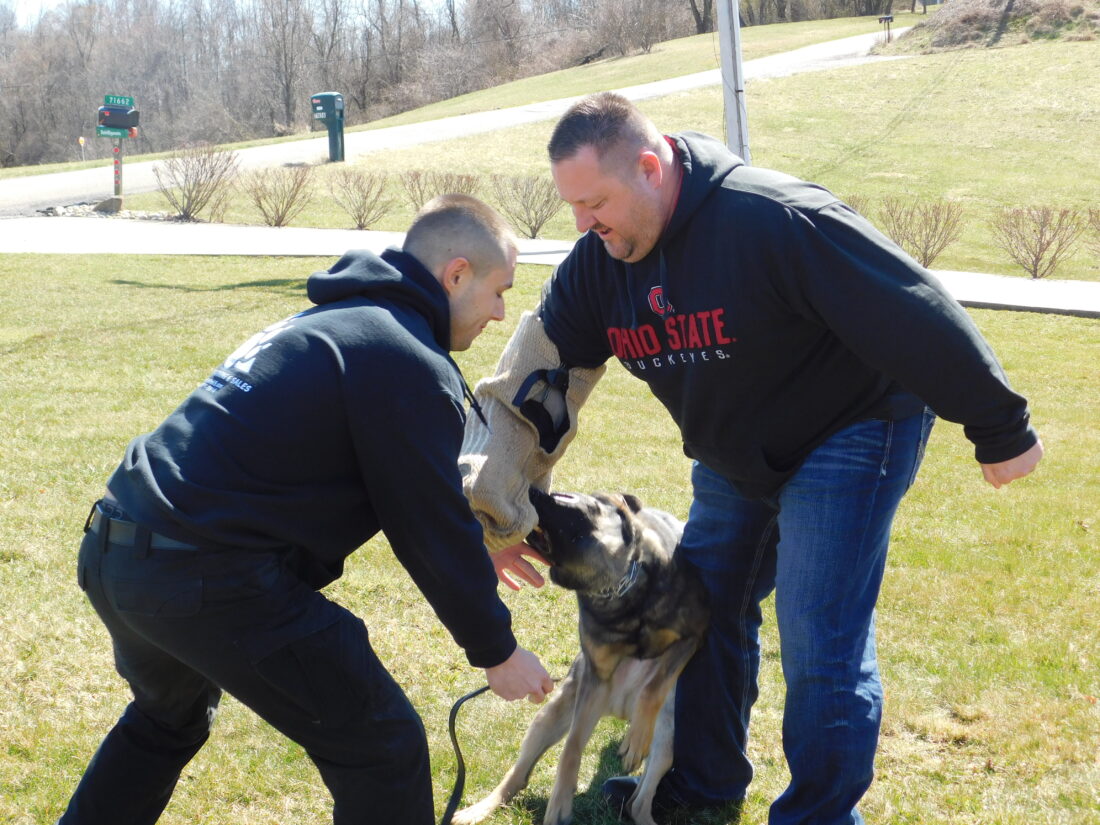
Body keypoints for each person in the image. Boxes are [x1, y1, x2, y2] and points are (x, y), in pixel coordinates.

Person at [459, 93, 1043, 825]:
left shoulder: (772, 219)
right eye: (572, 206)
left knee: (817, 629)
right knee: (700, 602)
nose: (583, 224)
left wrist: (1000, 425)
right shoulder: (599, 268)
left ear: (649, 166)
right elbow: (530, 384)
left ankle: (818, 815)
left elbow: (908, 301)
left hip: (852, 428)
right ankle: (703, 781)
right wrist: (492, 510)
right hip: (735, 451)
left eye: (595, 201)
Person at [57, 194, 555, 825]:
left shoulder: (340, 324)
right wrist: (498, 651)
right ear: (457, 274)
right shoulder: (401, 355)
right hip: (206, 572)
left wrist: (479, 543)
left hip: (117, 546)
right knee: (382, 745)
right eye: (498, 291)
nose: (500, 312)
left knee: (166, 718)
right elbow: (424, 525)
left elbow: (412, 491)